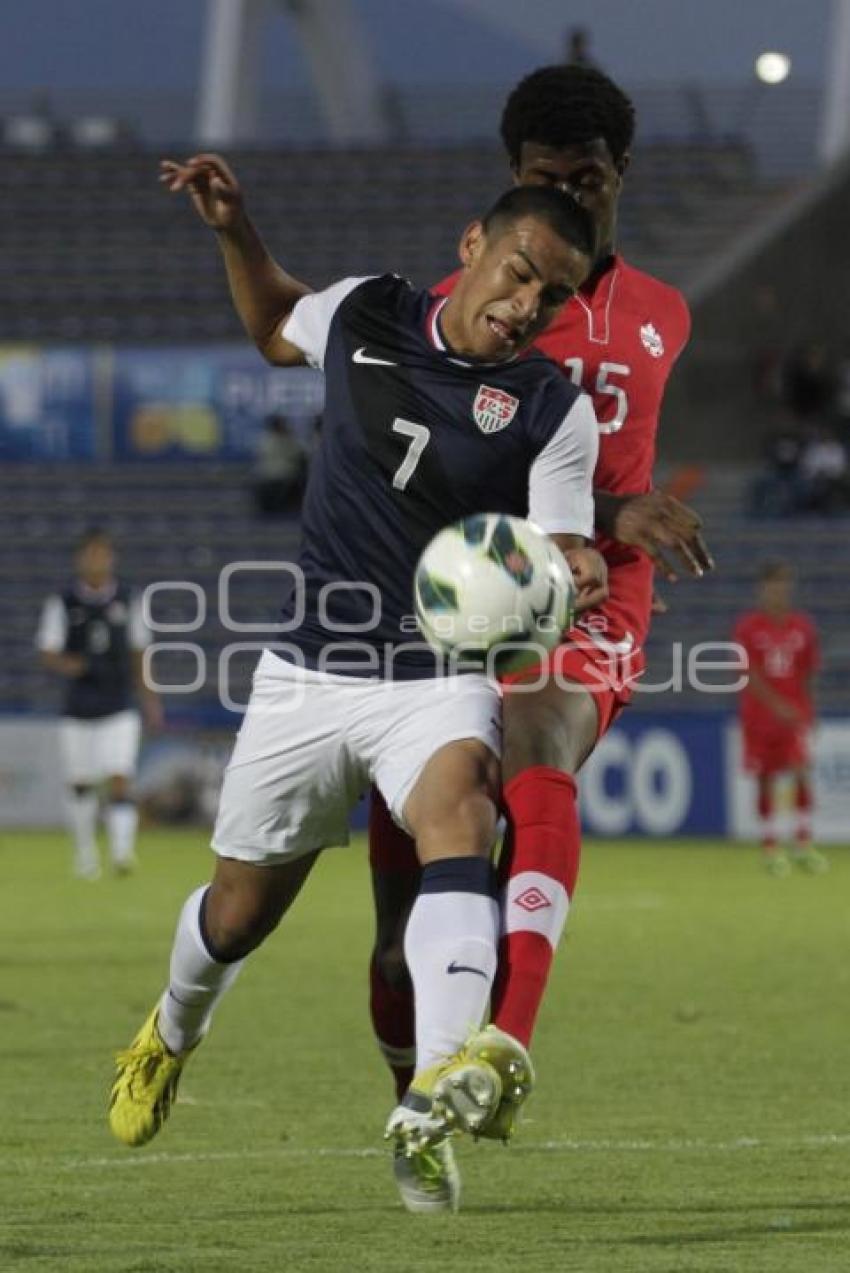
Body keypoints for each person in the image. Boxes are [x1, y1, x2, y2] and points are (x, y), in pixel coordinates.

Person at [109, 157, 609, 1212]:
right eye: (519, 274)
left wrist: (572, 569)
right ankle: (169, 1029)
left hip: (436, 679)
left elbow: (565, 545)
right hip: (306, 673)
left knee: (462, 815)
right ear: (472, 246)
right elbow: (274, 323)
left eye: (553, 296)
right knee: (238, 916)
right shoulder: (367, 312)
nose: (528, 307)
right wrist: (235, 231)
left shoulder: (550, 408)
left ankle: (429, 1097)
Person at [365, 64, 713, 1205]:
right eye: (547, 175)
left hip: (591, 598)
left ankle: (506, 1040)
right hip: (451, 597)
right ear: (513, 180)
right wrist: (620, 505)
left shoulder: (663, 310)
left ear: (622, 177)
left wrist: (611, 526)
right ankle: (420, 1099)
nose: (572, 189)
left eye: (591, 176)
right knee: (403, 911)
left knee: (538, 735)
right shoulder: (469, 297)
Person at [35, 528, 160, 878]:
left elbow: (141, 651)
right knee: (80, 782)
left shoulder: (128, 599)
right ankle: (86, 854)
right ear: (80, 559)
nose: (96, 561)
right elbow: (47, 649)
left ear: (111, 558)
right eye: (90, 554)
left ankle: (122, 853)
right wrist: (67, 663)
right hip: (78, 706)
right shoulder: (63, 602)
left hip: (119, 704)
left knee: (120, 777)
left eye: (102, 554)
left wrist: (150, 698)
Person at [732, 563, 826, 876]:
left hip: (795, 715)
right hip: (759, 717)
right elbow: (750, 675)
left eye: (783, 586)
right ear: (763, 589)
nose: (778, 592)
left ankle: (803, 843)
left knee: (801, 771)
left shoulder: (802, 626)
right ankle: (771, 846)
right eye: (773, 586)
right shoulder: (748, 627)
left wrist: (808, 709)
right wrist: (777, 706)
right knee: (766, 778)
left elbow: (809, 670)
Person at [252, 412, 308, 516]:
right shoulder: (271, 440)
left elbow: (300, 454)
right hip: (276, 478)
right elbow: (299, 454)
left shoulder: (265, 440)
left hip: (279, 479)